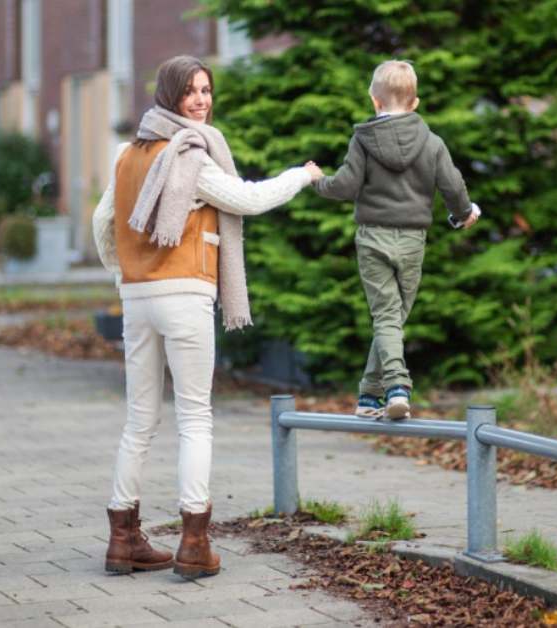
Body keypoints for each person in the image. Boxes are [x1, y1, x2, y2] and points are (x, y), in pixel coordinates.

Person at [92, 55, 324, 579]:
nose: (201, 100)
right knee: (195, 417)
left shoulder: (127, 154)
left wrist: (124, 270)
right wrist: (301, 176)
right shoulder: (190, 155)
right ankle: (194, 544)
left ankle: (123, 541)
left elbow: (103, 220)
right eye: (190, 91)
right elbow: (246, 198)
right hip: (184, 293)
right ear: (170, 94)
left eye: (206, 90)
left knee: (139, 421)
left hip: (137, 298)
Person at [313, 60, 481, 421]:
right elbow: (452, 186)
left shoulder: (363, 140)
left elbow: (342, 187)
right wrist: (463, 213)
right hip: (412, 242)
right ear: (415, 102)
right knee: (392, 319)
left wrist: (314, 180)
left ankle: (371, 395)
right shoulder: (432, 143)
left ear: (374, 101)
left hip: (372, 238)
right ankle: (397, 386)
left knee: (387, 319)